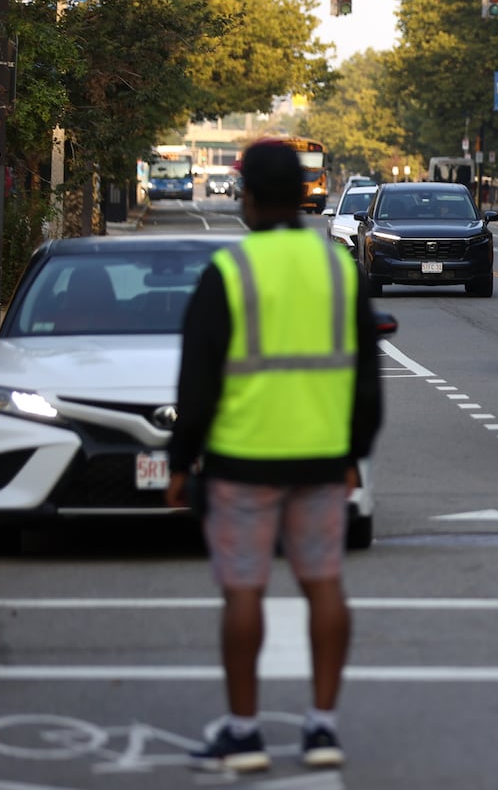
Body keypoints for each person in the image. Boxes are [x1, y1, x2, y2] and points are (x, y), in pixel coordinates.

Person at [166, 138, 383, 773]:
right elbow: (367, 378)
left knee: (243, 592)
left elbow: (197, 384)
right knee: (324, 585)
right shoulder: (338, 269)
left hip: (241, 461)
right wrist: (354, 453)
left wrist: (182, 462)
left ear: (250, 197)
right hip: (321, 459)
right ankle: (321, 728)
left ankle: (243, 731)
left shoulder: (228, 273)